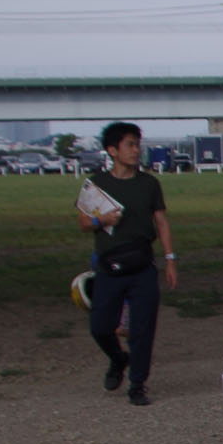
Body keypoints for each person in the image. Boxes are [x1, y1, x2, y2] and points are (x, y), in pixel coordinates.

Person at [77, 122, 177, 406]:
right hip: (109, 267)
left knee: (143, 329)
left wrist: (170, 259)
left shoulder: (148, 184)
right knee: (100, 327)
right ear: (112, 150)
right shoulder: (97, 184)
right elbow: (83, 223)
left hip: (142, 266)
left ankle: (137, 385)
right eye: (130, 145)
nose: (136, 150)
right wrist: (102, 220)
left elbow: (161, 221)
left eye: (137, 144)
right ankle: (118, 359)